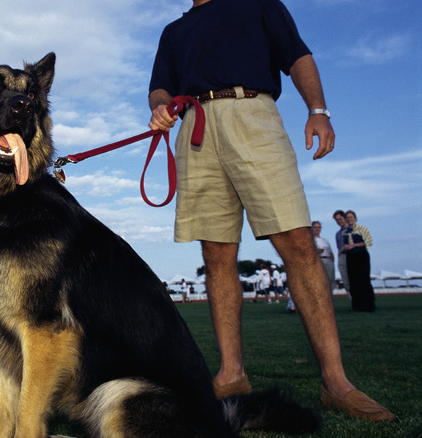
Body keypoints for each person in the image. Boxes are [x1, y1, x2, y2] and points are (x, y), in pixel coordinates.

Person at [147, 0, 393, 421]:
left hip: (254, 113)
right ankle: (231, 374)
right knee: (216, 254)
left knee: (298, 244)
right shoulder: (173, 31)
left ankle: (336, 382)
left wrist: (318, 111)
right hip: (195, 127)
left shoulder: (259, 5)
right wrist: (161, 106)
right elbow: (160, 86)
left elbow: (298, 56)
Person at [342, 211, 376, 312]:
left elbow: (368, 242)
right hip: (351, 257)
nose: (349, 219)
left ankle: (370, 305)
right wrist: (346, 247)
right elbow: (344, 244)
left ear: (355, 218)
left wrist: (354, 245)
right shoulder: (345, 232)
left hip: (361, 256)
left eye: (351, 217)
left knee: (364, 280)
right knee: (353, 281)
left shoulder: (362, 229)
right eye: (347, 217)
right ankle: (357, 306)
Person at [312, 221, 336, 292]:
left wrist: (332, 263)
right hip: (317, 261)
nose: (317, 229)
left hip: (327, 260)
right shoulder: (310, 240)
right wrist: (317, 252)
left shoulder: (325, 240)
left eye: (319, 227)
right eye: (315, 227)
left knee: (330, 279)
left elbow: (331, 253)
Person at [332, 210, 350, 296]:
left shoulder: (352, 230)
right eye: (337, 220)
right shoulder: (338, 234)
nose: (339, 221)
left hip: (352, 255)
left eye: (340, 219)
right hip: (342, 256)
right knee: (346, 280)